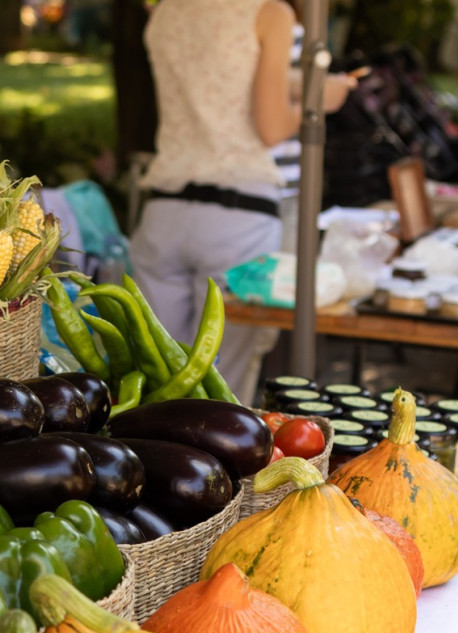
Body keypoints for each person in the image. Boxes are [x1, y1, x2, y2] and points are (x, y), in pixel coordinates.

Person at [128, 0, 354, 401]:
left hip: (163, 209)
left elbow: (215, 77)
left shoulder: (166, 9)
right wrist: (321, 100)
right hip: (237, 217)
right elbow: (271, 127)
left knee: (152, 380)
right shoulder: (269, 12)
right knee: (219, 396)